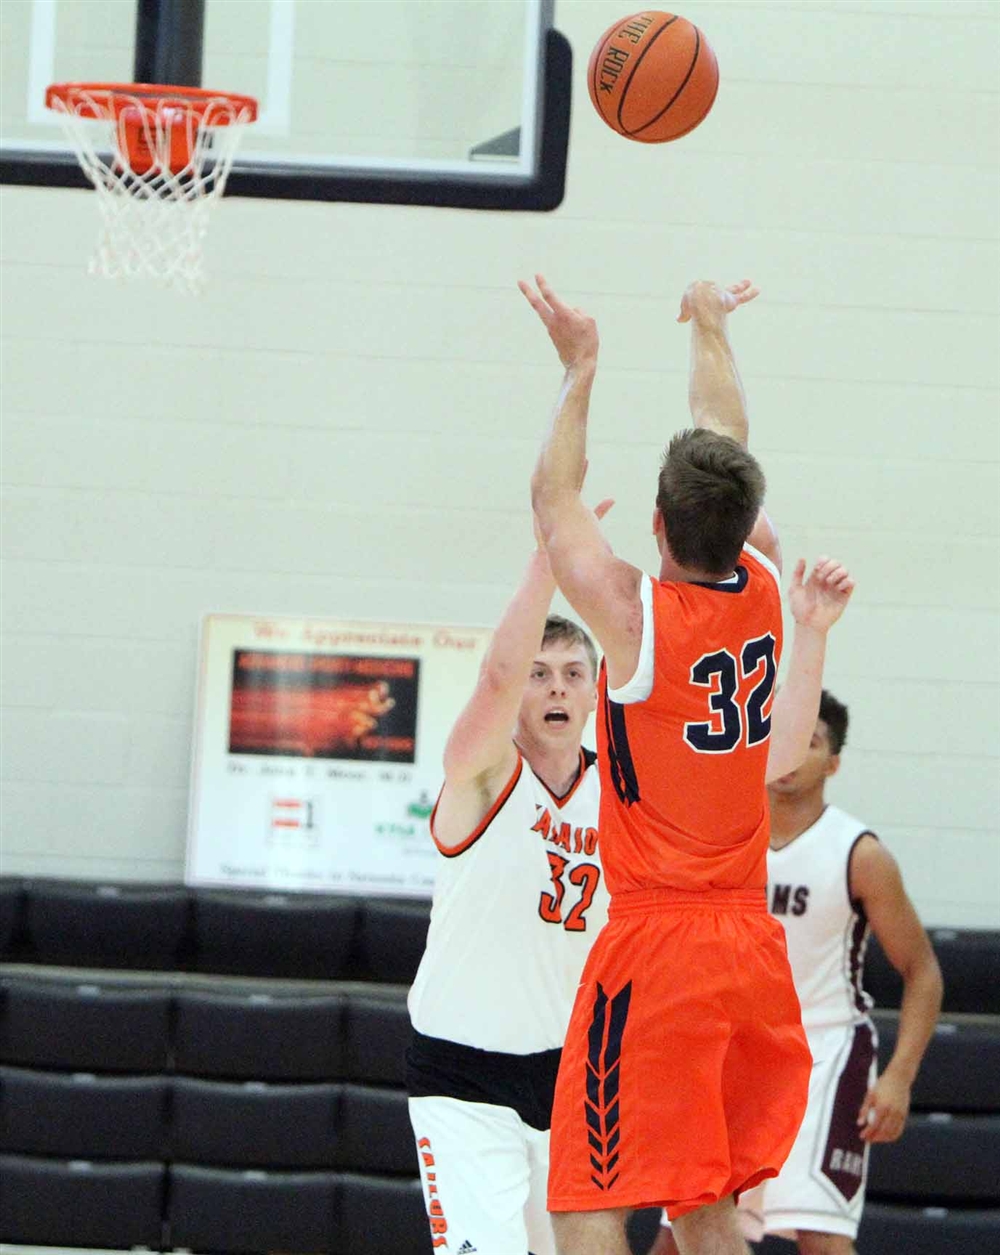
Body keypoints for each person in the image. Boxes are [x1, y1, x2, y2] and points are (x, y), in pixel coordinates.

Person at [521, 273, 855, 1255]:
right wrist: (709, 321)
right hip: (748, 947)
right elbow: (724, 429)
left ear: (657, 527)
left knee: (583, 1198)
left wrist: (580, 368)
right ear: (740, 517)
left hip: (658, 945)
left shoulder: (636, 622)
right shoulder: (762, 577)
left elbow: (554, 502)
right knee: (704, 1204)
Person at [651, 690, 944, 1255]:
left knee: (822, 1238)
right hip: (730, 1053)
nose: (789, 755)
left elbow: (923, 972)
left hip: (825, 1051)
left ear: (833, 763)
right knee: (682, 1233)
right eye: (782, 737)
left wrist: (900, 1077)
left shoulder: (859, 854)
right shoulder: (720, 840)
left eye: (809, 742)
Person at [406, 511, 612, 1255]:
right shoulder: (486, 774)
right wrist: (548, 567)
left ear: (595, 692)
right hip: (463, 1072)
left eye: (572, 673)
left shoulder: (622, 792)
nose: (555, 688)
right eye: (539, 673)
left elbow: (764, 761)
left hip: (569, 1075)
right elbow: (496, 674)